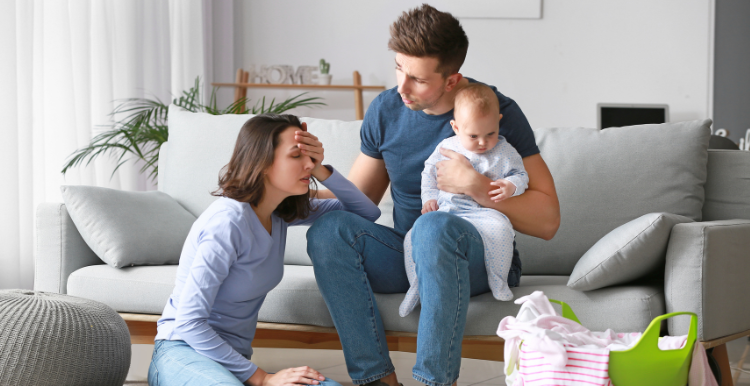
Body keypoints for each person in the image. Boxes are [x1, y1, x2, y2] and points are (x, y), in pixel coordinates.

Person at [306, 4, 560, 386]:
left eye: (418, 80)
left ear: (452, 79)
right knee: (328, 232)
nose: (402, 88)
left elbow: (548, 221)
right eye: (398, 69)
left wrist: (476, 187)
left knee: (433, 228)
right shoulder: (387, 109)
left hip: (475, 255)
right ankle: (376, 380)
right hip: (408, 254)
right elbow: (359, 202)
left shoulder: (493, 113)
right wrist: (297, 183)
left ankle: (434, 382)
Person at [148, 114, 381, 386]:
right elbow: (188, 324)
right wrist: (262, 378)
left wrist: (321, 170)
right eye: (296, 156)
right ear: (263, 163)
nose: (308, 163)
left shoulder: (279, 212)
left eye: (309, 157)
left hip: (233, 361)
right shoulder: (227, 223)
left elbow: (366, 212)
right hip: (182, 351)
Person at [400, 83, 529, 318]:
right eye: (473, 136)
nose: (483, 142)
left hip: (484, 214)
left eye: (490, 133)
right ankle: (415, 287)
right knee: (413, 236)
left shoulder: (505, 150)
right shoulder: (446, 147)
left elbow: (521, 175)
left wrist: (511, 186)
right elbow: (429, 174)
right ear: (455, 127)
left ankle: (498, 281)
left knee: (502, 230)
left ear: (498, 121)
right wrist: (429, 198)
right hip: (447, 212)